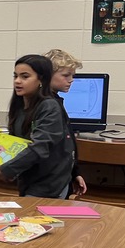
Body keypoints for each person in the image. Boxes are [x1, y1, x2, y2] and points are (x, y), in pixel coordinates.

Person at [0, 54, 77, 198]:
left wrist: (6, 170)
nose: (17, 81)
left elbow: (39, 148)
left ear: (41, 79)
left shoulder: (49, 106)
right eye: (15, 76)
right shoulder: (20, 106)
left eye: (25, 76)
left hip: (48, 185)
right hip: (28, 181)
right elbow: (15, 147)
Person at [44, 48, 87, 197]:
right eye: (66, 75)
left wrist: (75, 172)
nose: (71, 80)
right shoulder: (47, 105)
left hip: (61, 176)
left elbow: (67, 143)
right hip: (50, 181)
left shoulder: (57, 102)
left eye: (72, 75)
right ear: (47, 75)